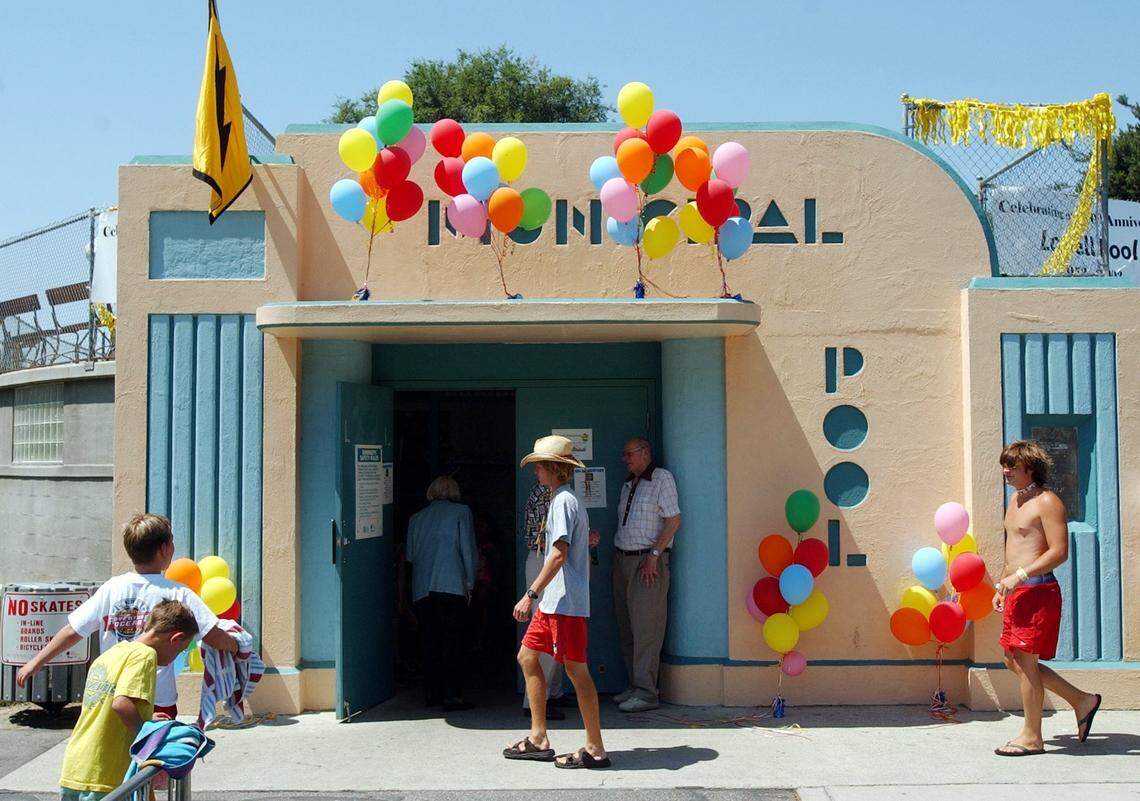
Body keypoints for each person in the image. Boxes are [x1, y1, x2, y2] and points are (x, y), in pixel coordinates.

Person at [17, 514, 238, 718]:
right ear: (164, 549)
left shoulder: (112, 588)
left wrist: (37, 661)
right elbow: (212, 634)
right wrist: (237, 647)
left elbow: (73, 630)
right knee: (154, 756)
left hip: (111, 696)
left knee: (115, 756)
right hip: (156, 699)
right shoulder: (178, 593)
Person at [504, 435, 609, 769]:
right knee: (527, 657)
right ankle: (538, 737)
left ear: (552, 468)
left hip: (563, 602)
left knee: (577, 671)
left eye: (538, 466)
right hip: (554, 602)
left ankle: (595, 749)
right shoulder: (561, 499)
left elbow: (558, 554)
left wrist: (529, 594)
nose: (535, 472)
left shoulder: (563, 501)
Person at [993, 440, 1101, 757]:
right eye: (1004, 464)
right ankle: (1082, 700)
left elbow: (1059, 552)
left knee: (1026, 664)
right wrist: (1003, 584)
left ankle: (1032, 737)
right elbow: (1014, 547)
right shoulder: (1015, 500)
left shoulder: (1048, 501)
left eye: (1012, 466)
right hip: (1016, 591)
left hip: (1037, 590)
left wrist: (1021, 576)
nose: (1006, 471)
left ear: (1031, 468)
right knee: (1012, 660)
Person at [58, 600, 198, 800]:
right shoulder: (145, 655)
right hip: (108, 774)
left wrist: (147, 716)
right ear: (176, 638)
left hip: (76, 768)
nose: (176, 656)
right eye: (181, 650)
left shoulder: (113, 653)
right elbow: (121, 703)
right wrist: (151, 739)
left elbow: (107, 703)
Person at [612, 437, 681, 712]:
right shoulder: (629, 484)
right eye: (624, 454)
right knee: (627, 625)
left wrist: (654, 555)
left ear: (645, 453)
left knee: (646, 628)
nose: (625, 459)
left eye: (630, 454)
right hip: (623, 560)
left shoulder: (662, 478)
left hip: (647, 562)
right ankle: (634, 684)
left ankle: (647, 692)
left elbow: (674, 520)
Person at [405, 475, 477, 712]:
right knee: (452, 642)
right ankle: (452, 695)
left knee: (429, 641)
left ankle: (431, 693)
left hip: (423, 588)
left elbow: (411, 555)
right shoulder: (461, 512)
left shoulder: (416, 518)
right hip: (452, 585)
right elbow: (467, 549)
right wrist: (470, 582)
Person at [519, 480, 568, 721]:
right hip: (543, 560)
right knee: (546, 628)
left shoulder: (554, 494)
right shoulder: (549, 493)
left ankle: (554, 691)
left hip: (544, 559)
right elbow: (551, 537)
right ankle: (535, 700)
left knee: (556, 628)